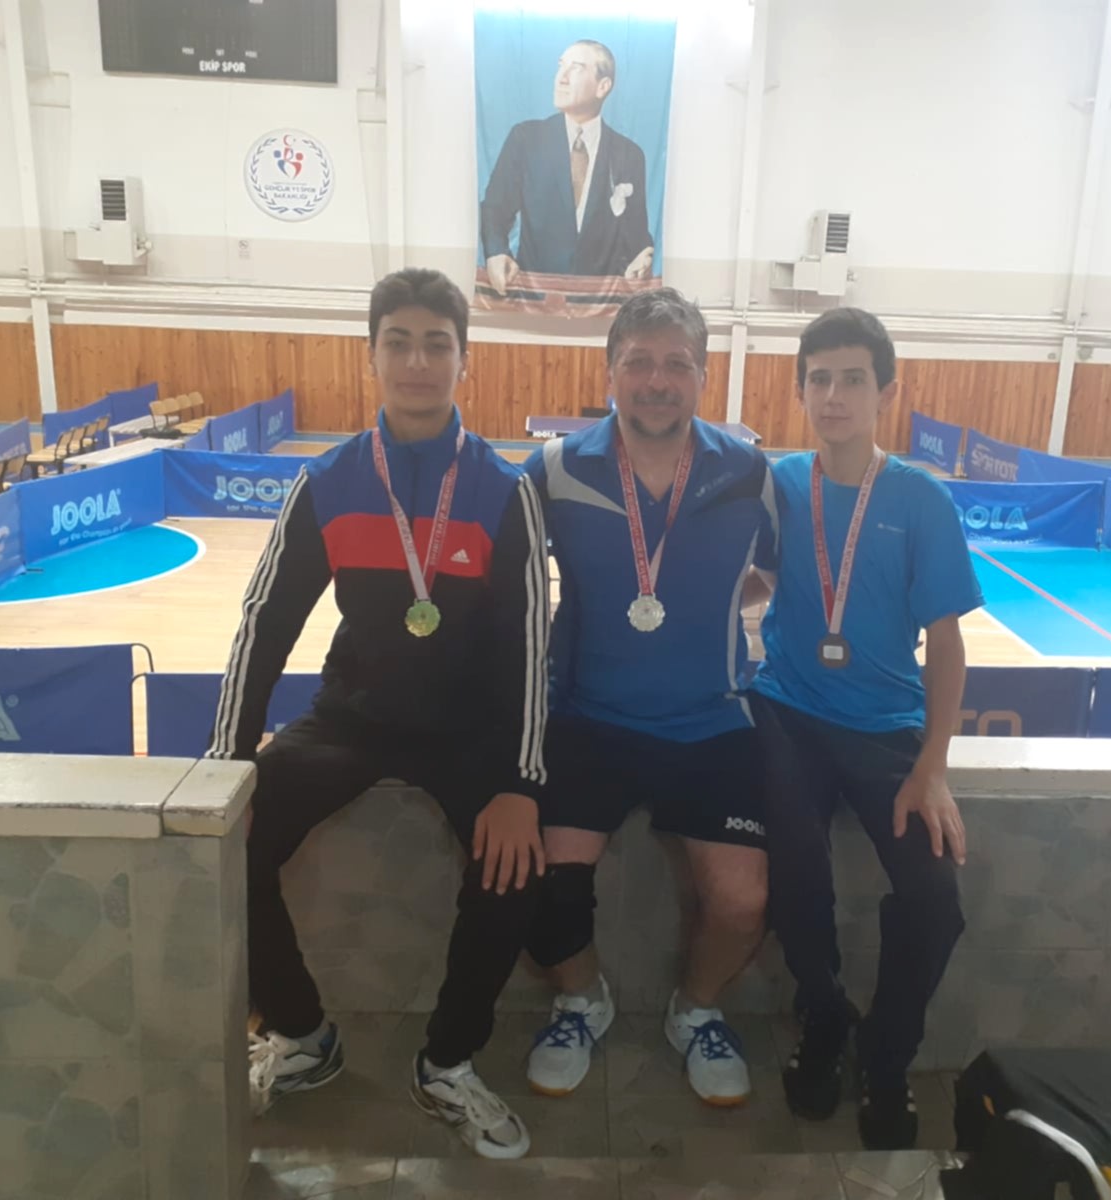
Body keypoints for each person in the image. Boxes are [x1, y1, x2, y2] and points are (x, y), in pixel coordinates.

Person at [208, 268, 550, 1160]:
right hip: (351, 718)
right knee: (228, 844)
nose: (417, 361)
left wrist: (519, 782)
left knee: (517, 868)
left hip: (468, 730)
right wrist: (227, 759)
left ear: (464, 361)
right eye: (398, 341)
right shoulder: (328, 481)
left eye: (437, 344)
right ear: (371, 356)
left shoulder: (503, 488)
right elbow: (266, 619)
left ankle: (447, 1061)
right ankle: (301, 1034)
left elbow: (528, 645)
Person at [520, 288, 776, 1107]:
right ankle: (580, 1002)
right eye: (639, 362)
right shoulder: (554, 470)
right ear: (610, 373)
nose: (657, 380)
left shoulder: (749, 472)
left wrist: (711, 608)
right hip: (585, 717)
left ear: (703, 376)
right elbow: (510, 588)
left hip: (711, 720)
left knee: (742, 900)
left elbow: (775, 571)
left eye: (676, 363)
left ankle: (695, 1011)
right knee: (542, 883)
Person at [748, 307, 980, 1150]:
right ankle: (823, 1016)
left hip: (887, 728)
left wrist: (933, 766)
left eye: (853, 379)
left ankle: (887, 1054)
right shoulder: (779, 484)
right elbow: (754, 579)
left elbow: (947, 644)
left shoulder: (920, 500)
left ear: (886, 391)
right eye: (819, 379)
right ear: (800, 390)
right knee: (794, 864)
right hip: (787, 712)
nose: (834, 395)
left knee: (935, 900)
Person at [480, 39, 655, 294]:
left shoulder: (628, 154)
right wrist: (496, 253)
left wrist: (642, 257)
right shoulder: (527, 139)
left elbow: (636, 233)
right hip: (535, 296)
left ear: (603, 86)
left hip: (599, 300)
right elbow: (495, 208)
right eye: (561, 66)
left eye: (576, 68)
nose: (561, 78)